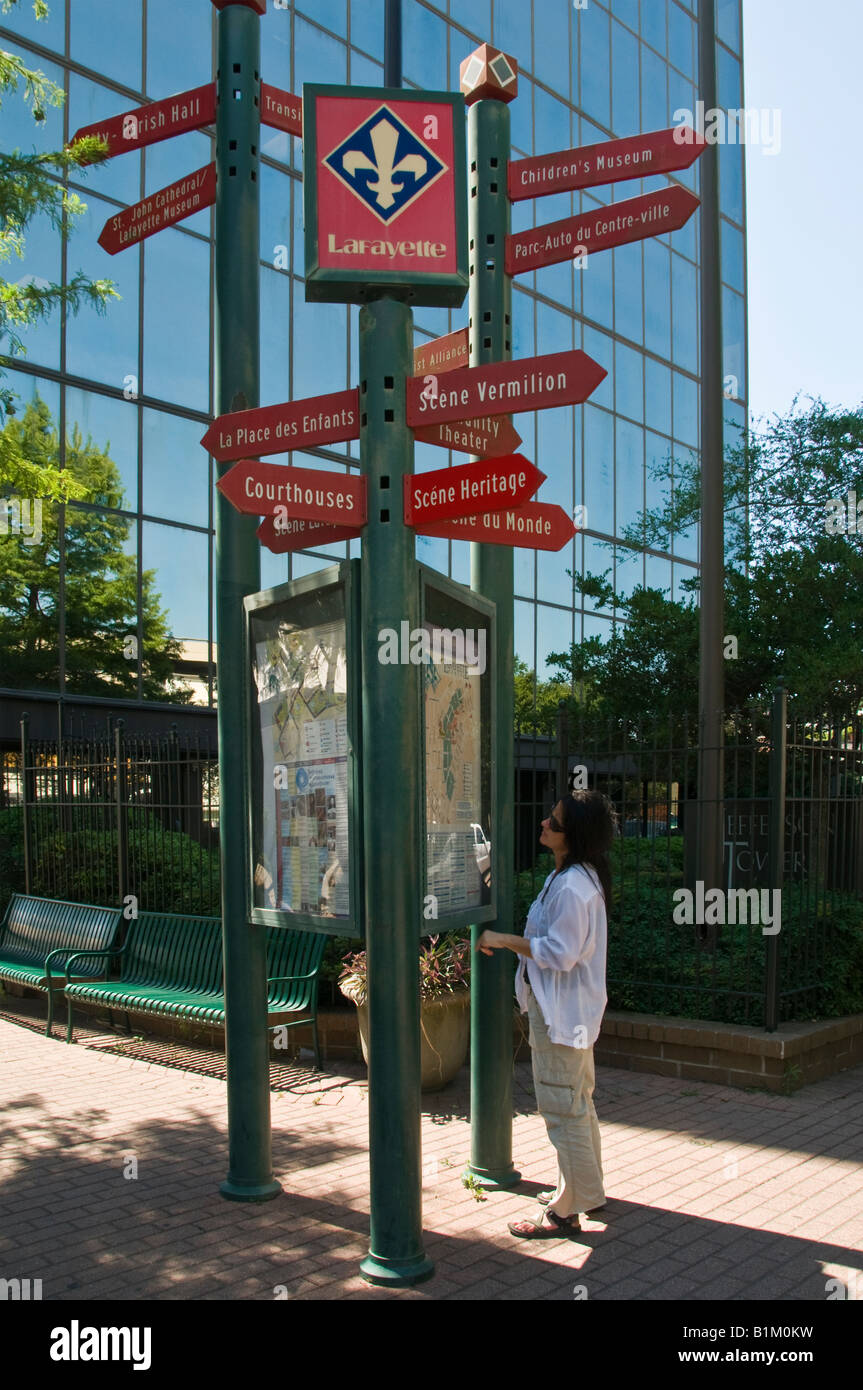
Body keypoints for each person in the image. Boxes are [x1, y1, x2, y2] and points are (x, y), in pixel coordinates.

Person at [476, 789, 616, 1239]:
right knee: (576, 1102)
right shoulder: (572, 876)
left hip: (561, 1014)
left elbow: (560, 953)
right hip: (567, 1011)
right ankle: (583, 1190)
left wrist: (503, 940)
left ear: (572, 835)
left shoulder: (574, 886)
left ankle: (567, 1209)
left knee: (561, 1108)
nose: (543, 824)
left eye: (553, 822)